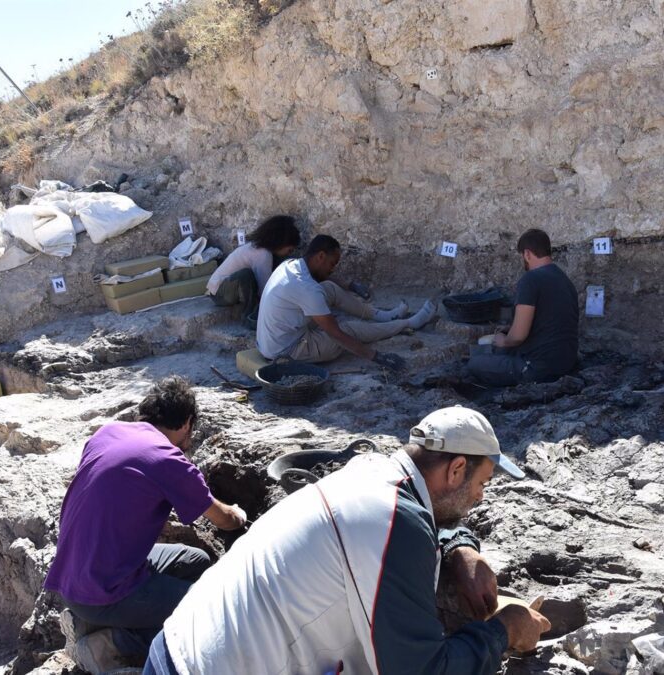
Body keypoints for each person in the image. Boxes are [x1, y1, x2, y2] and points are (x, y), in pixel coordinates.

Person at [144, 406, 550, 675]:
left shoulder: (370, 471)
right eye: (482, 484)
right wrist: (505, 632)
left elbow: (426, 519)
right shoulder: (394, 523)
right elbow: (422, 670)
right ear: (457, 468)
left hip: (174, 646)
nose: (480, 498)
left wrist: (461, 547)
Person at [44, 376, 248, 672]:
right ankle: (112, 645)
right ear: (187, 422)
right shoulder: (167, 460)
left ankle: (108, 621)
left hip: (74, 574)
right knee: (207, 612)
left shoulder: (109, 431)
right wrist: (239, 514)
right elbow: (224, 520)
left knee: (197, 561)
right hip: (103, 590)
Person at [256, 234, 436, 371]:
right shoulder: (307, 289)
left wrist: (351, 285)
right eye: (332, 263)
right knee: (347, 330)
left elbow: (326, 278)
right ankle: (408, 323)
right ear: (320, 256)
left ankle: (383, 316)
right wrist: (376, 357)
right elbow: (336, 335)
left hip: (274, 340)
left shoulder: (291, 265)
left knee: (329, 287)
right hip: (286, 351)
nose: (332, 268)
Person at [467, 228, 579, 386]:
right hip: (566, 362)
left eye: (522, 256)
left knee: (474, 363)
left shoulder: (530, 280)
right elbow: (548, 321)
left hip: (538, 369)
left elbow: (518, 336)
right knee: (500, 351)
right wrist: (509, 329)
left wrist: (503, 340)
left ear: (527, 254)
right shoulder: (564, 279)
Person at [206, 215, 302, 312]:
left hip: (221, 290)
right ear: (281, 243)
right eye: (289, 250)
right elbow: (265, 289)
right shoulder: (263, 255)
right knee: (246, 275)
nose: (289, 254)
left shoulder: (260, 250)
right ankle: (249, 317)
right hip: (219, 294)